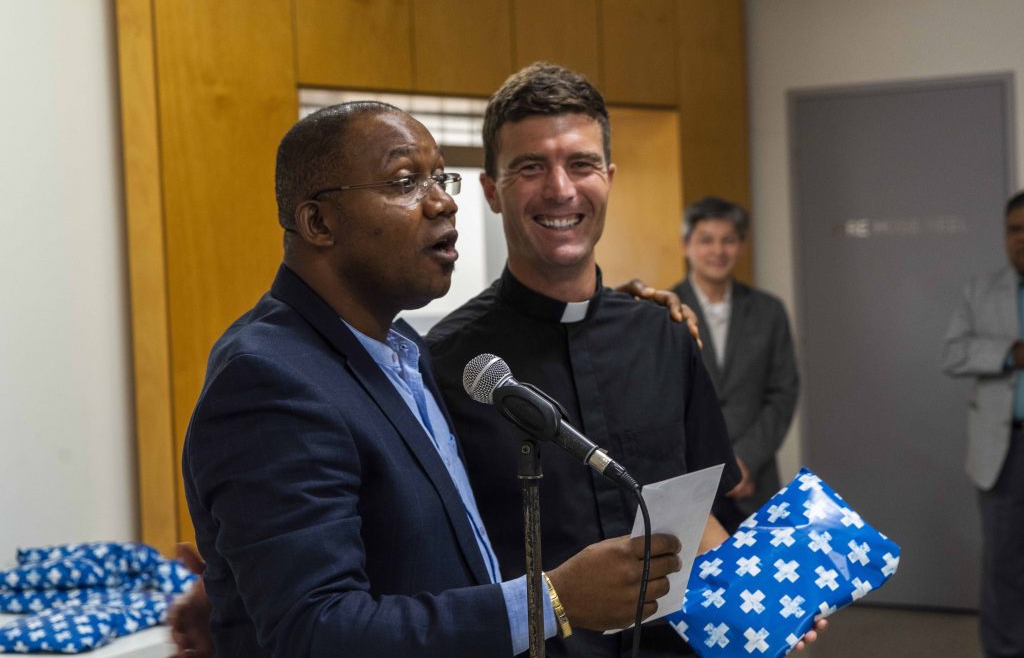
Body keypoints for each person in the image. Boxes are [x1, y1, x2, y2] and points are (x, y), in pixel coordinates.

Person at [180, 100, 686, 657]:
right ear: (318, 222)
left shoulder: (404, 351)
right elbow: (315, 631)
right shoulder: (268, 380)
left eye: (441, 177)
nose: (443, 200)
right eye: (405, 181)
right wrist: (553, 600)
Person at [425, 63, 810, 657]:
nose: (560, 189)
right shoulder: (448, 363)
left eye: (581, 164)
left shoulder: (665, 335)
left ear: (609, 175)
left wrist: (765, 610)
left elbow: (700, 513)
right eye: (530, 167)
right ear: (491, 191)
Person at [669, 197, 799, 532]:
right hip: (690, 483)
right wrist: (717, 466)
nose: (718, 250)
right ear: (686, 246)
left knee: (765, 581)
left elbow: (782, 393)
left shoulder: (769, 311)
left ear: (741, 246)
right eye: (706, 240)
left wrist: (745, 461)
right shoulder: (662, 311)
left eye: (728, 240)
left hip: (755, 484)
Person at [941, 190, 1024, 658]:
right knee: (1004, 567)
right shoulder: (981, 289)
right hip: (1005, 451)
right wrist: (1008, 353)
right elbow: (952, 354)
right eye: (1015, 228)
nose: (1022, 238)